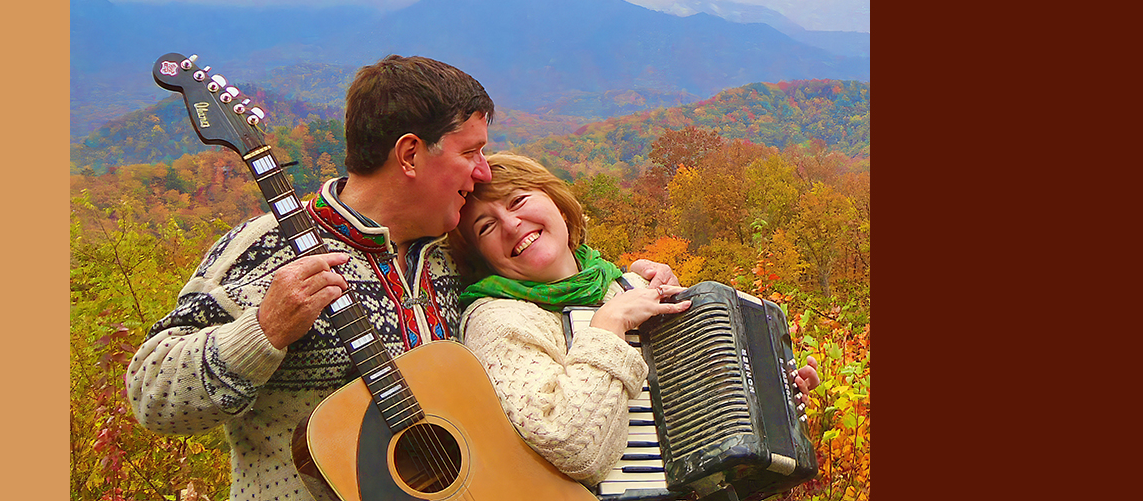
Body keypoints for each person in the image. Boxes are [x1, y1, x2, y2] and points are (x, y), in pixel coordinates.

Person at [123, 56, 675, 501]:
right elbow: (151, 392)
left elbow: (548, 283)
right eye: (471, 152)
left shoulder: (452, 255)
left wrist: (628, 282)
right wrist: (262, 331)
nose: (483, 170)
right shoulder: (265, 248)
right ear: (410, 154)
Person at [450, 152, 823, 489]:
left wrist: (772, 401)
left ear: (560, 209)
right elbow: (573, 450)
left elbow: (702, 411)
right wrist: (609, 328)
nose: (511, 224)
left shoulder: (628, 285)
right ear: (482, 258)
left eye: (518, 201)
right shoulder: (495, 321)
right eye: (486, 226)